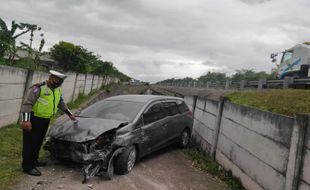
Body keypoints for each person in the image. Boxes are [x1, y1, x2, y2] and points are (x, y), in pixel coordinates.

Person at [20, 70, 76, 176]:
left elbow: (61, 103)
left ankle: (34, 161)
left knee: (38, 142)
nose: (58, 83)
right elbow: (27, 104)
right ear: (50, 78)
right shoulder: (38, 88)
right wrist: (26, 121)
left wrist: (69, 114)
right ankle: (27, 167)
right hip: (33, 119)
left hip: (45, 120)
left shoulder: (57, 90)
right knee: (29, 144)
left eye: (60, 82)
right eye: (56, 81)